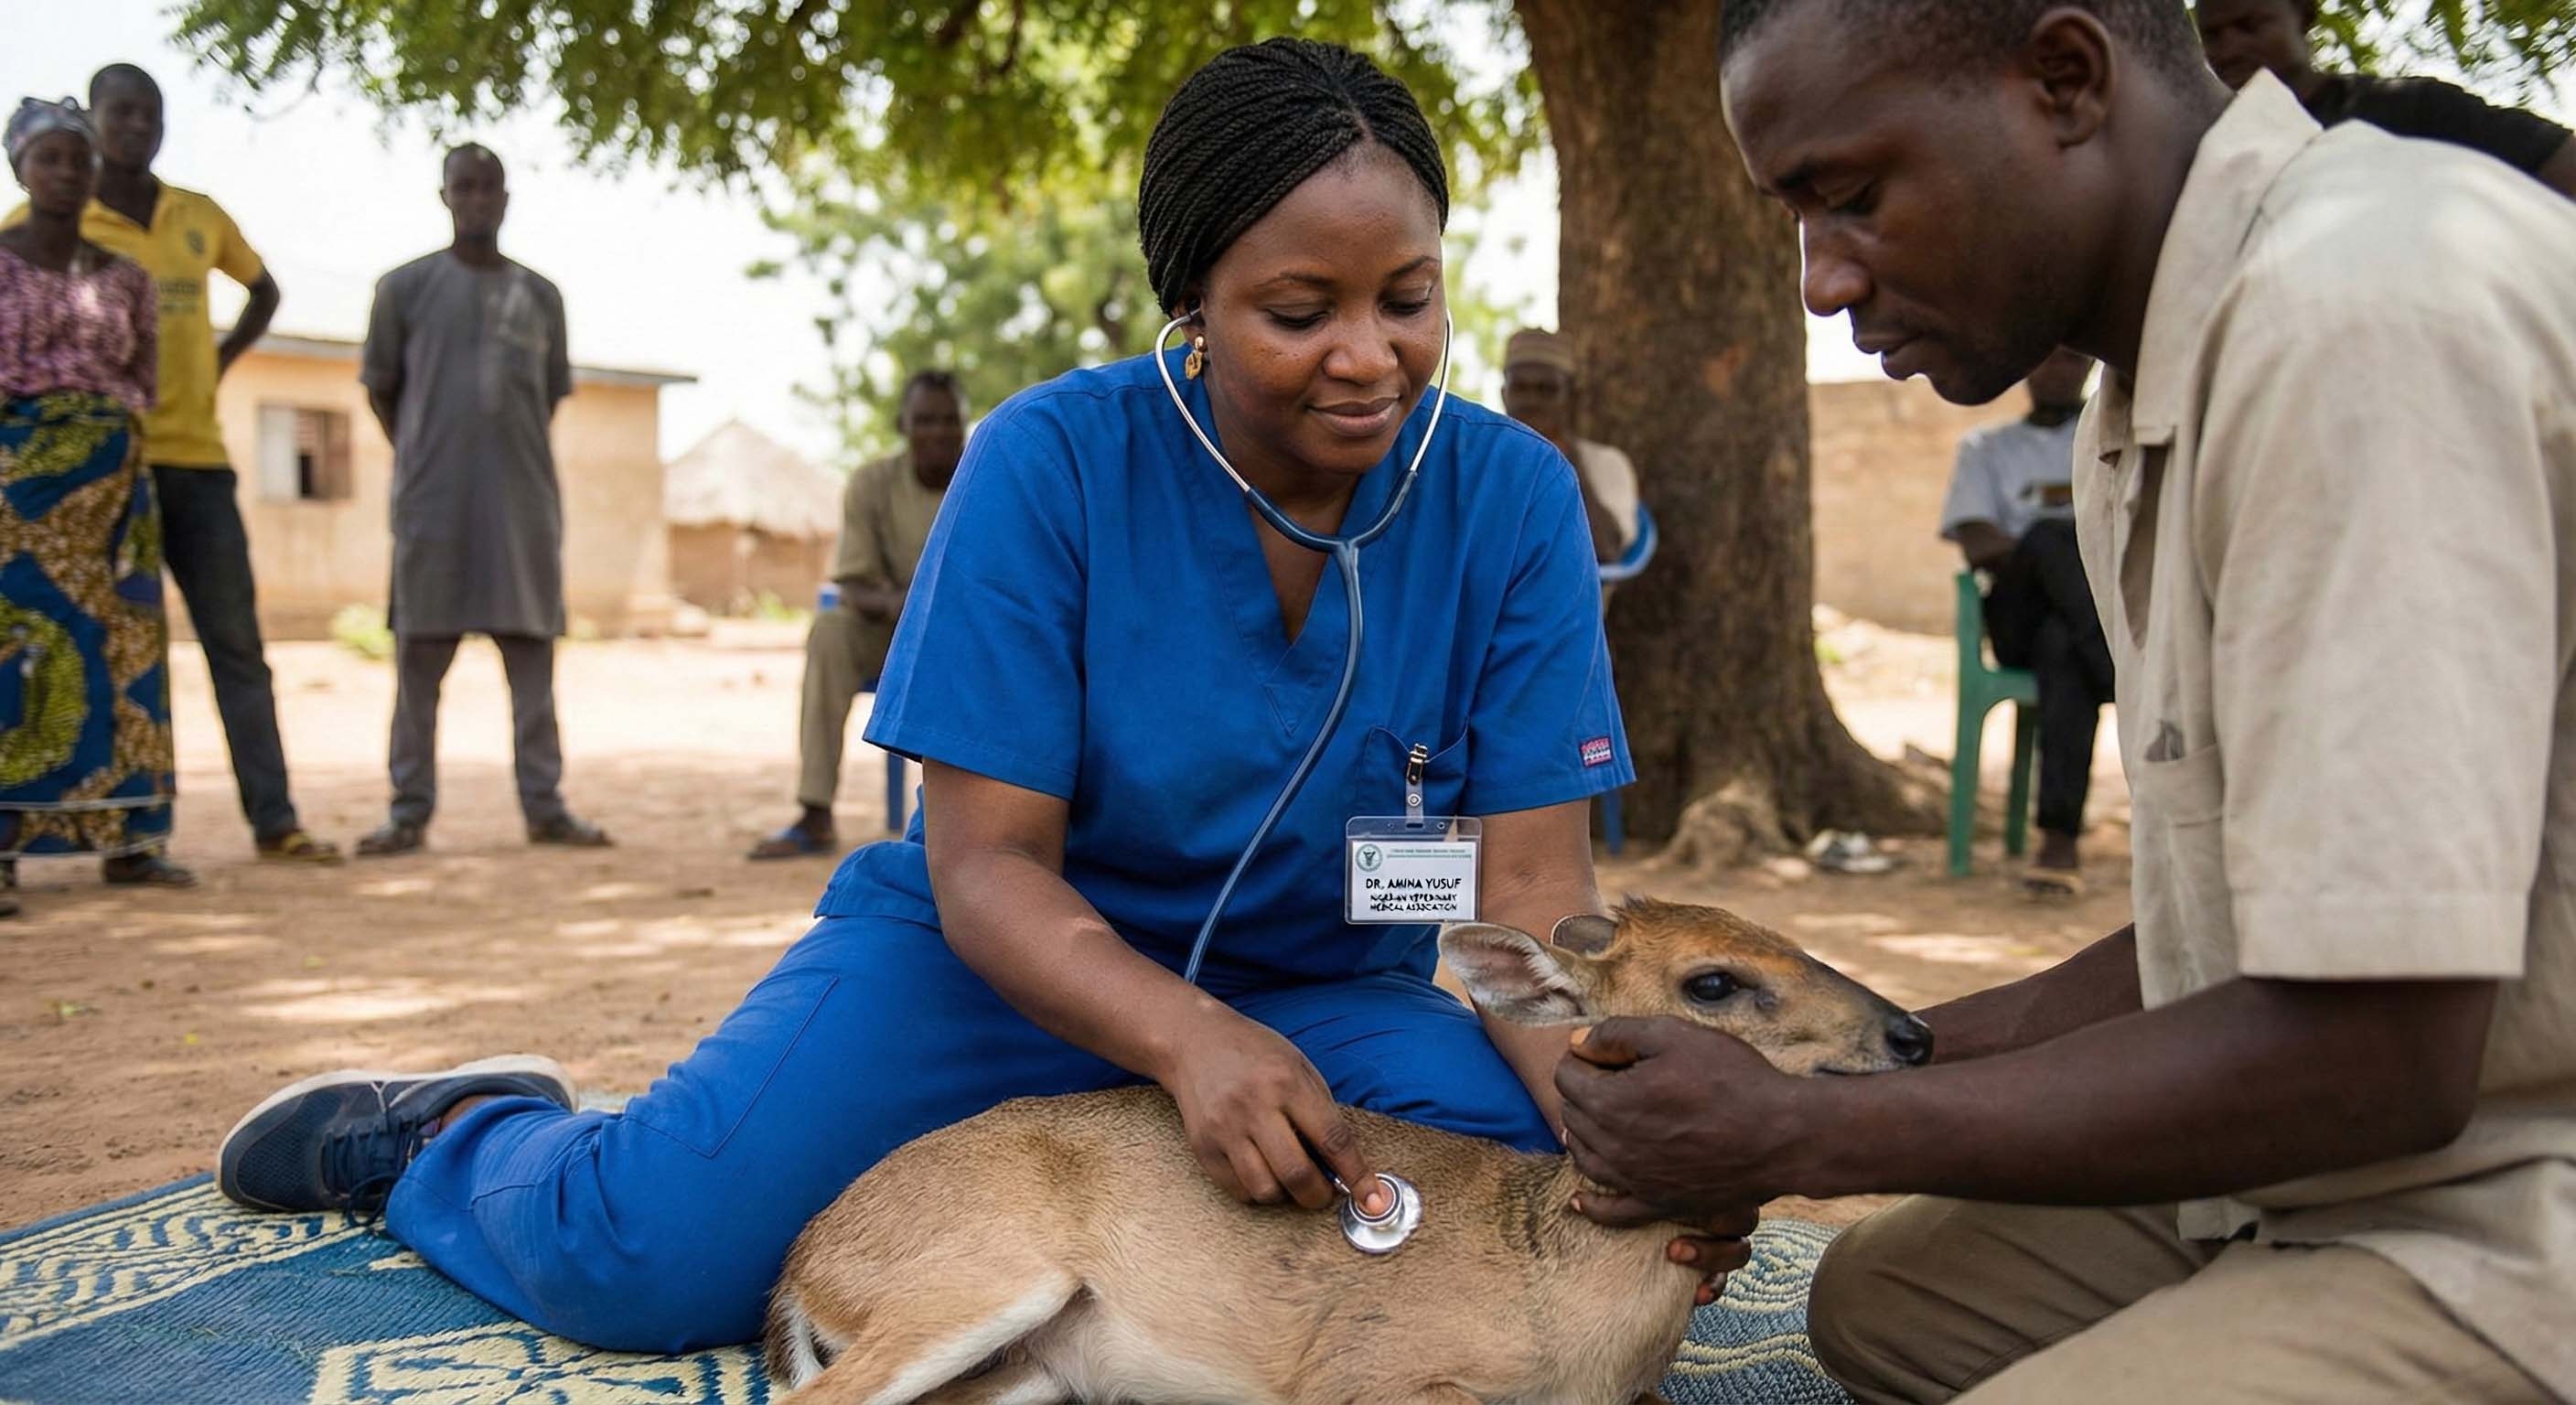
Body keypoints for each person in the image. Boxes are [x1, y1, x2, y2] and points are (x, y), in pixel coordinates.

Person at [214, 38, 1659, 1355]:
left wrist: (1609, 1134)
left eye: (1409, 300)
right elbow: (988, 868)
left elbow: (1530, 884)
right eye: (1300, 310)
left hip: (1319, 999)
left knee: (1522, 1200)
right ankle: (454, 1137)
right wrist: (1182, 1042)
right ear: (1195, 308)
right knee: (641, 1265)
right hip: (1001, 973)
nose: (1371, 356)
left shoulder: (1511, 497)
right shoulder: (1050, 465)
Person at [1555, 2, 2576, 1402]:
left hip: (2506, 1191)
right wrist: (1871, 1056)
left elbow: (2380, 1056)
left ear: (2065, 79)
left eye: (1849, 198)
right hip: (2345, 1142)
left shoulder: (2355, 310)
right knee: (1880, 1309)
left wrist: (1801, 1135)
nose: (1820, 284)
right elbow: (2215, 934)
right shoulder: (2130, 406)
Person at [10, 67, 338, 864]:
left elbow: (261, 291)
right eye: (120, 113)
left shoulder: (194, 219)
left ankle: (272, 820)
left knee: (230, 643)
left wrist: (220, 362)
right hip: (66, 483)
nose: (135, 127)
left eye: (149, 114)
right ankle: (67, 832)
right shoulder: (32, 230)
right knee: (86, 645)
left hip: (192, 460)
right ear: (91, 121)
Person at [352, 145, 609, 857]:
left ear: (506, 197)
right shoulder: (401, 289)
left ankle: (544, 805)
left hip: (521, 507)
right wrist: (425, 451)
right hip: (432, 505)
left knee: (532, 666)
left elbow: (549, 395)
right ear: (444, 196)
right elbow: (382, 390)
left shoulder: (542, 296)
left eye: (488, 187)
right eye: (462, 187)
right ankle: (408, 810)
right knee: (418, 669)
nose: (476, 199)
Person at [0, 98, 191, 917]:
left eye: (77, 159)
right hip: (17, 487)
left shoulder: (127, 280)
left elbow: (144, 378)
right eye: (49, 159)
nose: (67, 173)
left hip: (115, 481)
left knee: (125, 651)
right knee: (19, 658)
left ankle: (130, 841)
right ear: (19, 168)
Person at [747, 370, 965, 860]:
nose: (938, 431)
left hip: (967, 637)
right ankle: (815, 811)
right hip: (890, 636)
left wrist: (911, 597)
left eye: (949, 420)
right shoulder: (872, 484)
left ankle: (979, 827)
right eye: (925, 420)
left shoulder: (986, 474)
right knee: (830, 631)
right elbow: (854, 587)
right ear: (903, 425)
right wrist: (917, 602)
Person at [1938, 347, 2109, 898]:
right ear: (2025, 365)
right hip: (2018, 612)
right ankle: (2117, 669)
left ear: (2089, 366)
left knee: (2064, 650)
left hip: (2088, 613)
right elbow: (1978, 542)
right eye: (2046, 358)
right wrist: (2056, 546)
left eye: (2071, 359)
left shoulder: (2110, 435)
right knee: (2051, 536)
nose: (2057, 369)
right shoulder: (1988, 448)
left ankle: (2058, 840)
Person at [2195, 0, 2576, 199]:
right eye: (2213, 35)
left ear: (2304, 17)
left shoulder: (2414, 109)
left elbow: (2559, 163)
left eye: (2250, 26)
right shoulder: (2208, 155)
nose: (2231, 48)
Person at [1499, 327, 1642, 572]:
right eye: (1520, 388)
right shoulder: (1481, 462)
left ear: (1573, 398)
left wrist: (1561, 461)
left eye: (1547, 390)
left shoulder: (1606, 464)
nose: (1532, 402)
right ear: (1504, 395)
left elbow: (1607, 549)